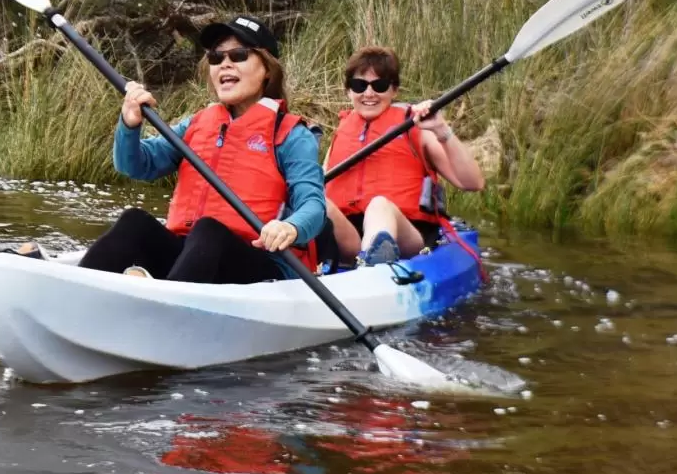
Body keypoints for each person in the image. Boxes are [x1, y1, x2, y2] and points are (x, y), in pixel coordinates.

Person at [75, 15, 326, 283]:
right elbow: (135, 165)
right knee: (134, 222)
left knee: (209, 230)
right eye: (217, 58)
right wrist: (129, 124)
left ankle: (164, 303)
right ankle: (72, 290)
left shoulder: (291, 135)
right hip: (195, 255)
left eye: (239, 55)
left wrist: (290, 226)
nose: (225, 64)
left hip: (260, 263)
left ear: (267, 69)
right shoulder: (196, 124)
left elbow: (313, 205)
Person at [323, 46, 485, 266]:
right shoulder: (342, 131)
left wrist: (441, 129)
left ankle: (375, 264)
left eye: (379, 86)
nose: (369, 94)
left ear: (394, 90)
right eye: (359, 85)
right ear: (348, 91)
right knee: (316, 201)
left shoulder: (418, 128)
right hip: (350, 237)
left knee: (379, 205)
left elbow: (473, 182)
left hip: (406, 234)